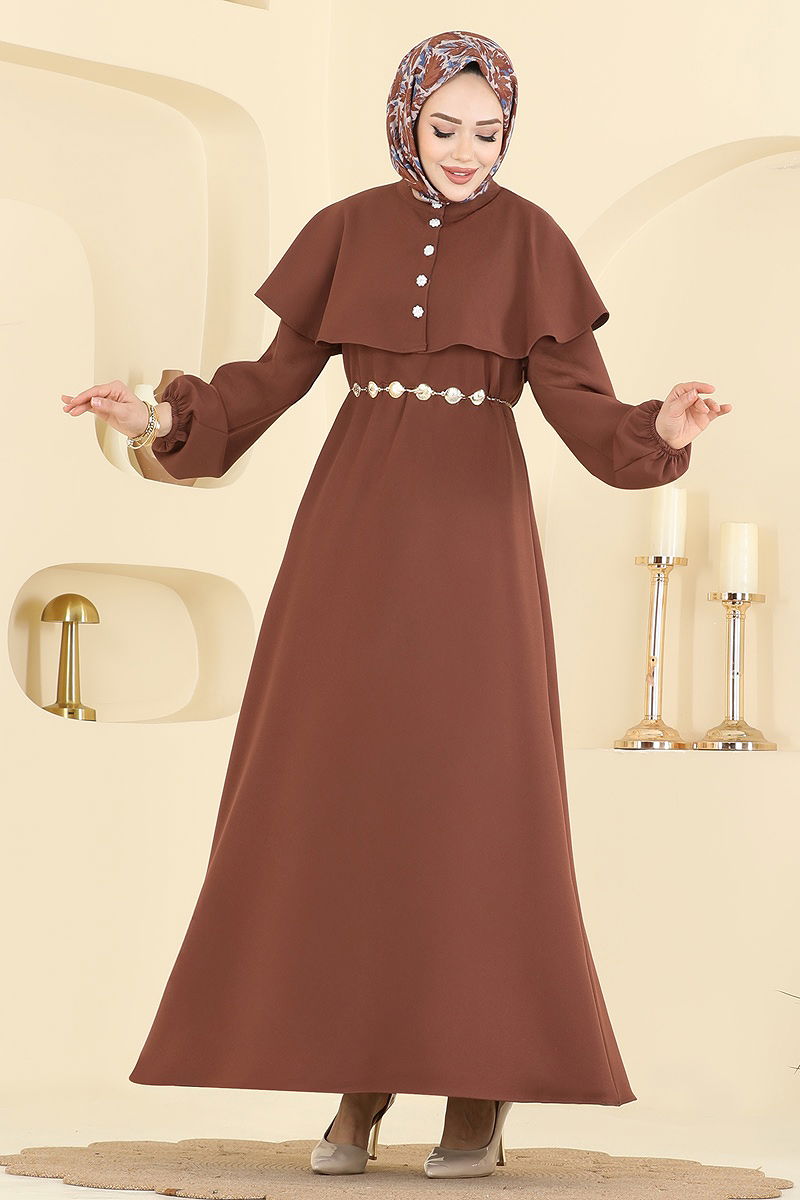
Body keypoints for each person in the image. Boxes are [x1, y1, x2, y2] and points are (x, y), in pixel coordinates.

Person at [62, 29, 730, 1182]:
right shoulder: (343, 230)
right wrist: (154, 418)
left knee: (474, 804)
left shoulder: (532, 241)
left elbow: (581, 411)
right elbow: (264, 386)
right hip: (348, 541)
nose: (465, 151)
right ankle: (358, 1080)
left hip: (475, 548)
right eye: (444, 127)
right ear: (405, 122)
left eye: (487, 132)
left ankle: (478, 1088)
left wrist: (657, 432)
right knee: (347, 797)